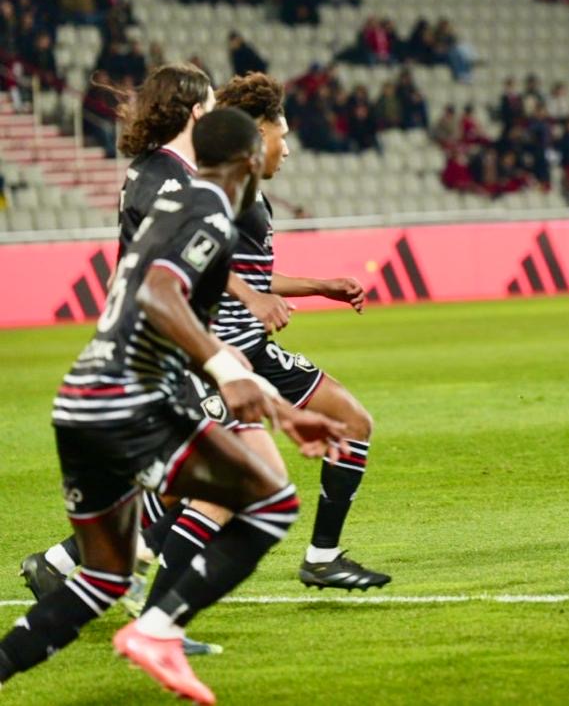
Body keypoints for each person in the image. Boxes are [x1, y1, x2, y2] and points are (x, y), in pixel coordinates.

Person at [0, 108, 345, 705]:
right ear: (247, 157)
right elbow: (162, 295)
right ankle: (160, 629)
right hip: (129, 398)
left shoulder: (178, 207)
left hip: (83, 400)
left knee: (106, 577)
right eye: (277, 141)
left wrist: (284, 413)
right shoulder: (210, 207)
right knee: (269, 499)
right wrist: (221, 370)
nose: (282, 151)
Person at [18, 65, 294, 655]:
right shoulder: (169, 180)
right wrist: (234, 331)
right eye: (215, 104)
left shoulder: (161, 172)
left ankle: (87, 578)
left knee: (182, 488)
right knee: (238, 481)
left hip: (153, 355)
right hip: (149, 359)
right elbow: (164, 276)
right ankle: (156, 621)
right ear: (196, 111)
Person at [212, 73, 389, 589]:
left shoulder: (248, 194)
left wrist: (319, 286)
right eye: (280, 135)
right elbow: (191, 261)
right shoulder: (222, 193)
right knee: (209, 489)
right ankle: (70, 567)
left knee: (352, 422)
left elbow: (252, 275)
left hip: (255, 352)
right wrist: (252, 298)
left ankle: (322, 557)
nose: (286, 150)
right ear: (254, 135)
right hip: (219, 359)